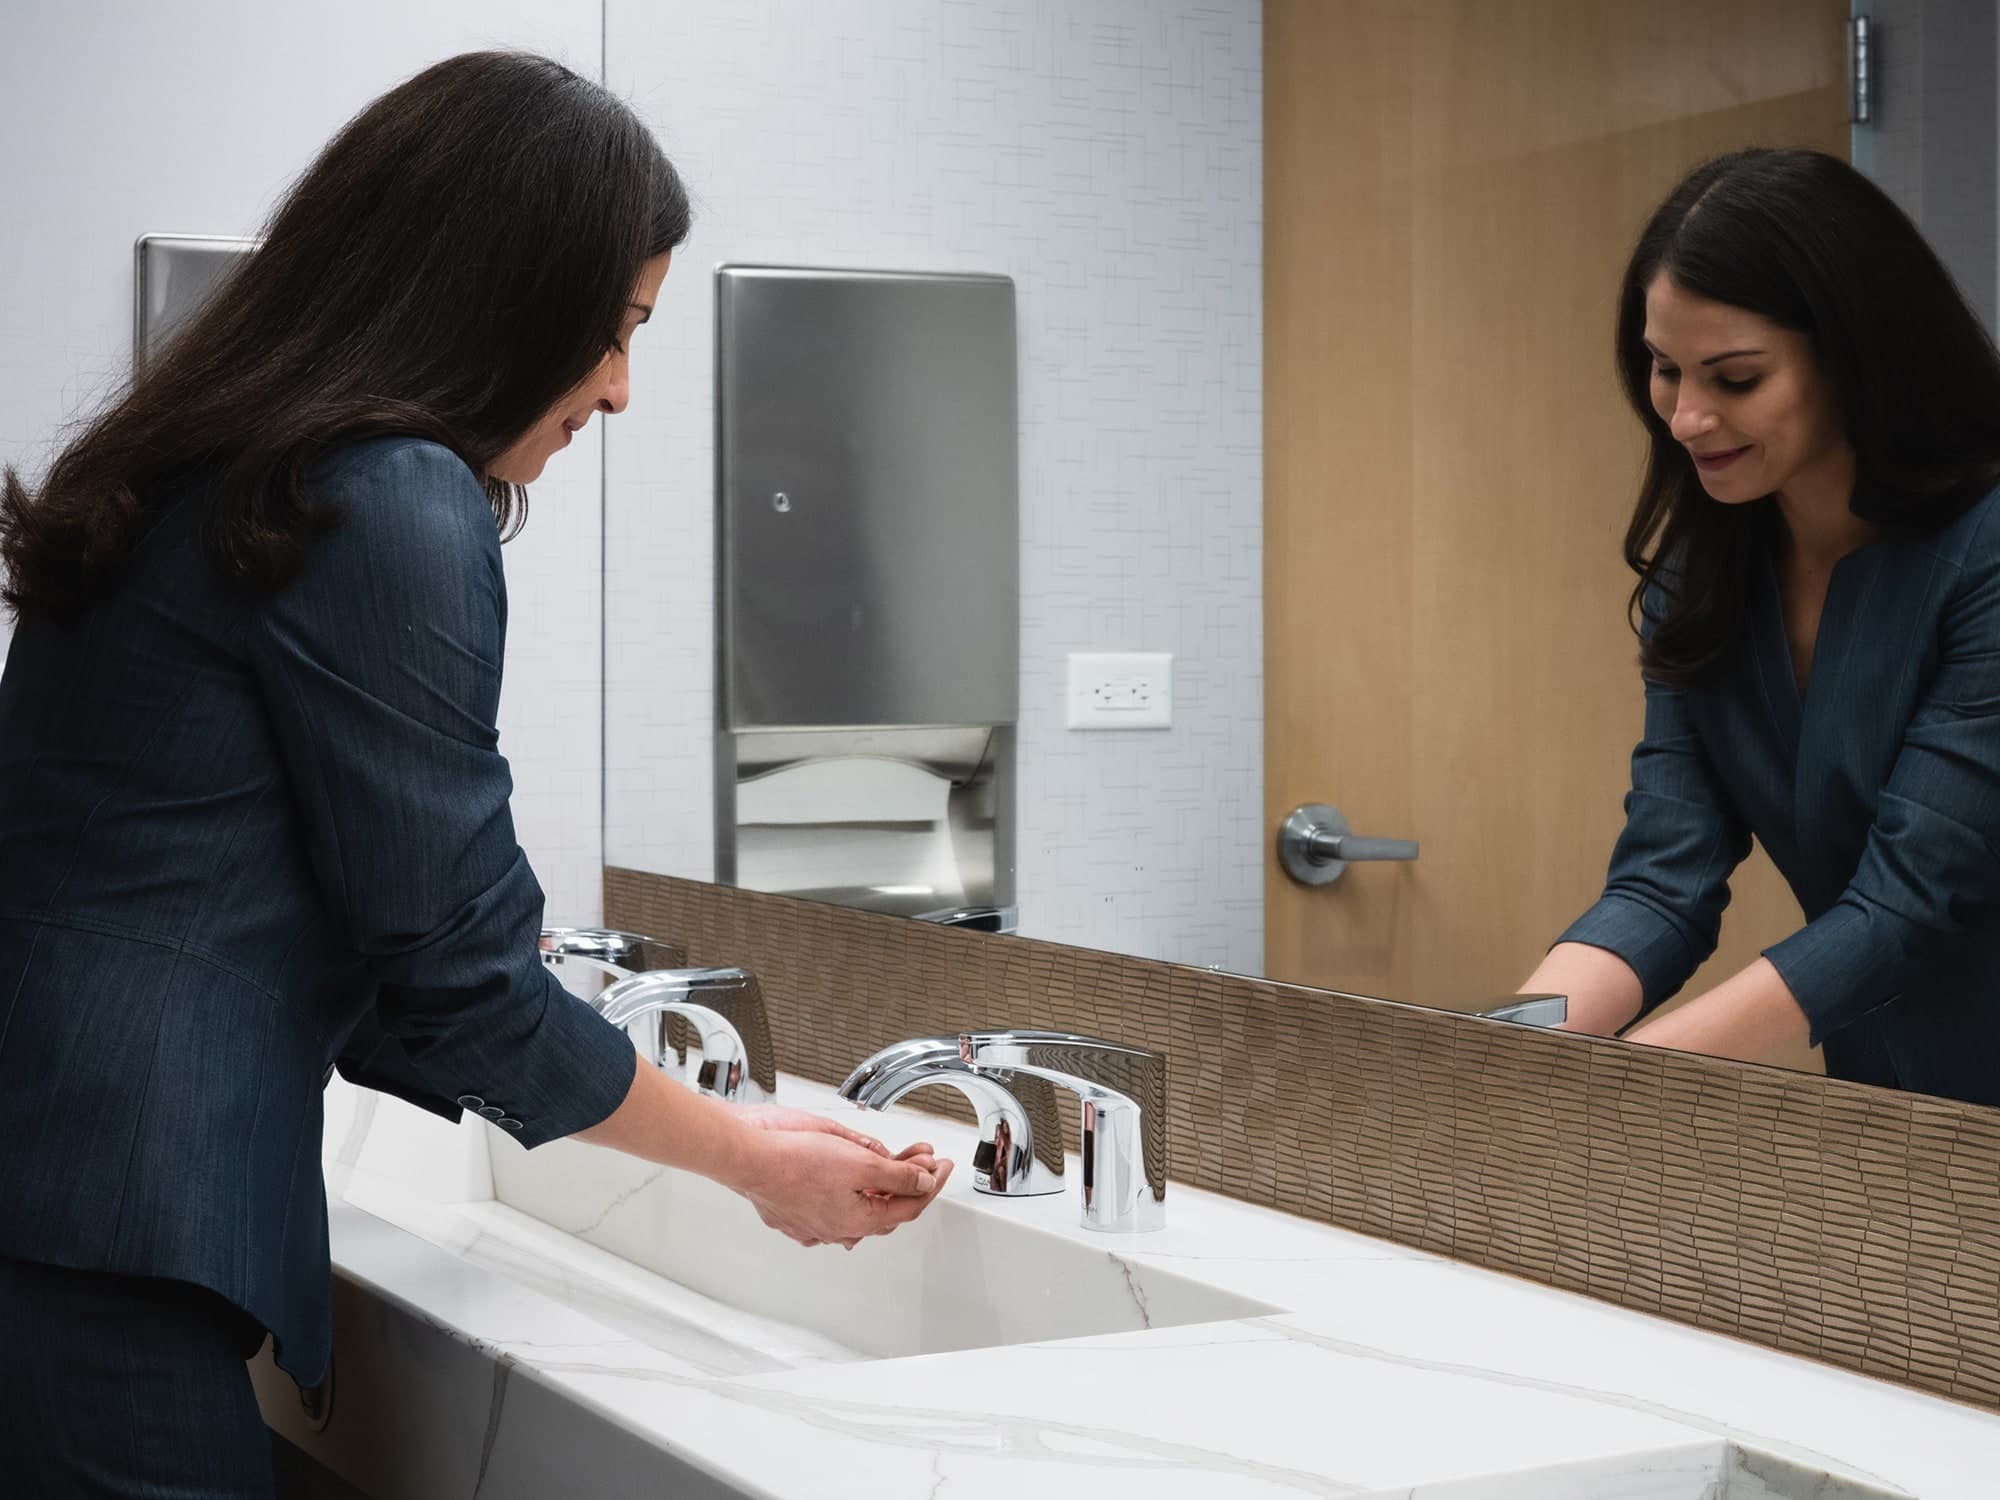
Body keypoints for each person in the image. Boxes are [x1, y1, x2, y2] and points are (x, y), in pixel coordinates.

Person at [0, 52, 950, 1496]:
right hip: (112, 1237)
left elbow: (328, 926)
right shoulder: (386, 495)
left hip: (54, 1209)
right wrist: (752, 1156)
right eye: (615, 328)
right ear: (499, 296)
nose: (621, 391)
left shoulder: (212, 464)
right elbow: (456, 970)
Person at [1523, 147, 2000, 1108]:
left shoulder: (1984, 554)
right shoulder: (1705, 583)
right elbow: (1662, 885)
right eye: (1664, 370)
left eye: (1735, 378)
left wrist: (1629, 1084)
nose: (1687, 416)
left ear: (1854, 356)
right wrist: (1495, 1044)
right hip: (1898, 1110)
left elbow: (1906, 905)